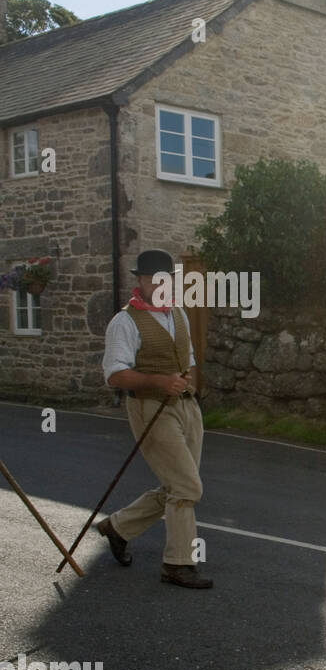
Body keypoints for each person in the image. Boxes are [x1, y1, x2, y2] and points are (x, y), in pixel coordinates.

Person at [96, 249, 212, 589]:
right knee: (187, 486)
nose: (161, 285)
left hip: (186, 407)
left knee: (178, 485)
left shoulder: (177, 313)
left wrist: (187, 384)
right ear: (141, 281)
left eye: (167, 279)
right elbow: (115, 375)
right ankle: (178, 564)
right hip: (149, 408)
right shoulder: (124, 322)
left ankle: (118, 527)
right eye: (153, 279)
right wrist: (160, 382)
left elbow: (188, 357)